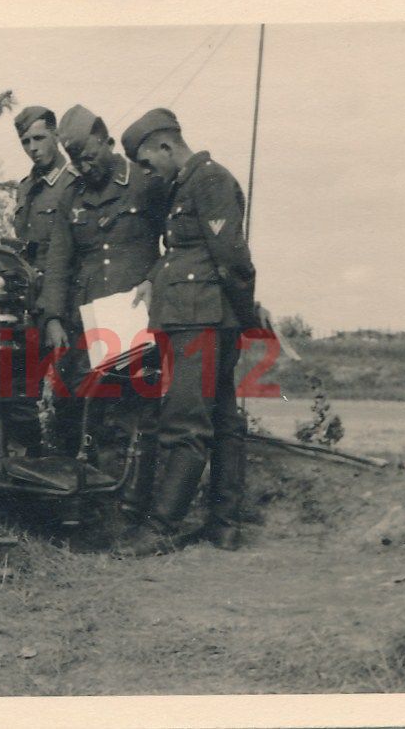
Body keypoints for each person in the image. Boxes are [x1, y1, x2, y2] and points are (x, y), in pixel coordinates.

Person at [119, 107, 261, 554]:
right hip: (194, 318)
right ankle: (224, 524)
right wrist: (151, 279)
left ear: (166, 145)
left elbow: (234, 263)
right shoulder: (184, 186)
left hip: (202, 322)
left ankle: (160, 529)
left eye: (147, 162)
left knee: (184, 425)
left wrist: (244, 322)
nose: (147, 172)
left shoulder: (212, 181)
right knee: (222, 420)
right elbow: (182, 250)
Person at [37, 104, 166, 524]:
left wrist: (155, 279)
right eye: (75, 159)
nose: (83, 165)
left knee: (128, 416)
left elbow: (179, 241)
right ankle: (80, 504)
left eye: (88, 155)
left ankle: (130, 508)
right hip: (83, 320)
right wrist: (54, 317)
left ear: (104, 139)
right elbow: (58, 260)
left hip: (131, 316)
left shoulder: (145, 183)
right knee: (76, 407)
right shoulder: (72, 195)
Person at [12, 106, 80, 273]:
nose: (32, 148)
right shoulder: (25, 188)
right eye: (25, 142)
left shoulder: (74, 181)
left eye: (38, 138)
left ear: (56, 136)